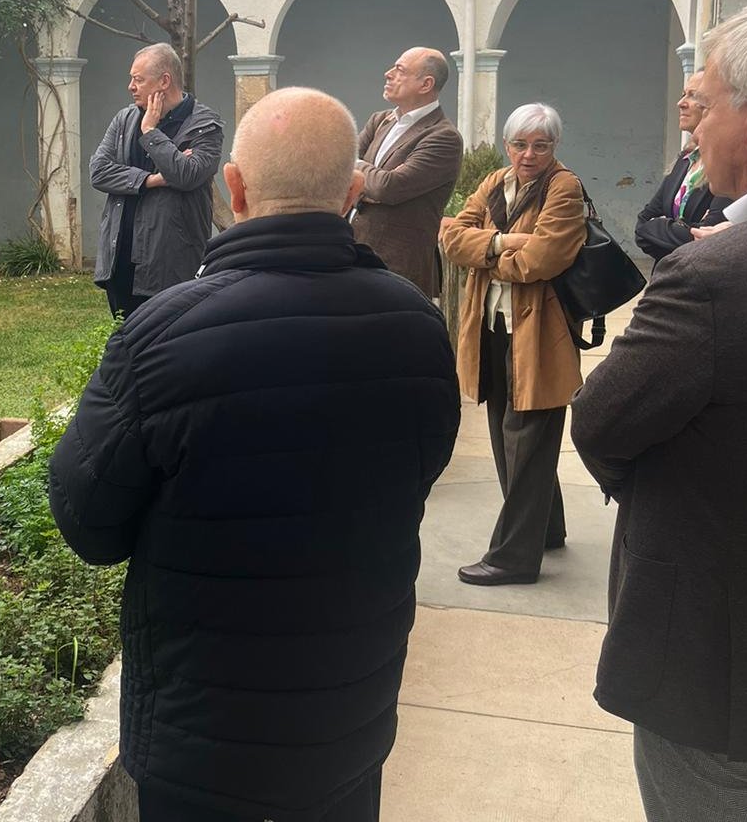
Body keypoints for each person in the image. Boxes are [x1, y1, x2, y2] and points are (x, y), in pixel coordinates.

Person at [50, 87, 460, 822]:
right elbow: (422, 467)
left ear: (232, 186)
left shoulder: (160, 336)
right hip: (347, 719)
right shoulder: (418, 326)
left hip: (201, 737)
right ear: (353, 193)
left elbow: (88, 521)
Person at [571, 0, 747, 821]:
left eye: (707, 108)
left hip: (728, 672)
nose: (692, 134)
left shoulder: (722, 279)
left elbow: (602, 423)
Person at [440, 103, 586, 586]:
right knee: (510, 436)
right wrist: (504, 243)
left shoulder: (564, 187)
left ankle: (513, 558)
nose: (529, 155)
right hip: (492, 329)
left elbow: (542, 260)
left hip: (540, 334)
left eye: (540, 146)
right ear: (507, 144)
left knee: (528, 438)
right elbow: (452, 239)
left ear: (554, 148)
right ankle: (546, 529)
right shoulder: (496, 181)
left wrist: (488, 253)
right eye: (521, 144)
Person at [89, 42, 223, 319]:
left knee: (169, 343)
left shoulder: (205, 125)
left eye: (139, 79)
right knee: (124, 342)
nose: (130, 86)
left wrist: (150, 131)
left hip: (171, 262)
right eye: (131, 79)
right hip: (120, 257)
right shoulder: (125, 119)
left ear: (164, 81)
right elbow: (99, 171)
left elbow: (187, 175)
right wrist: (151, 180)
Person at [351, 47, 463, 296]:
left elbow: (389, 188)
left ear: (426, 84)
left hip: (401, 271)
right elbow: (341, 163)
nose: (388, 74)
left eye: (400, 70)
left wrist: (358, 171)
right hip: (357, 258)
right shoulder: (380, 121)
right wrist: (371, 178)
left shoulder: (443, 136)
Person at [633, 70, 730, 262]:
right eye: (683, 94)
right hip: (668, 275)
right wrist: (685, 230)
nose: (681, 103)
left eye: (693, 95)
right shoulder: (686, 159)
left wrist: (660, 227)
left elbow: (707, 239)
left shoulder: (727, 164)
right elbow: (642, 224)